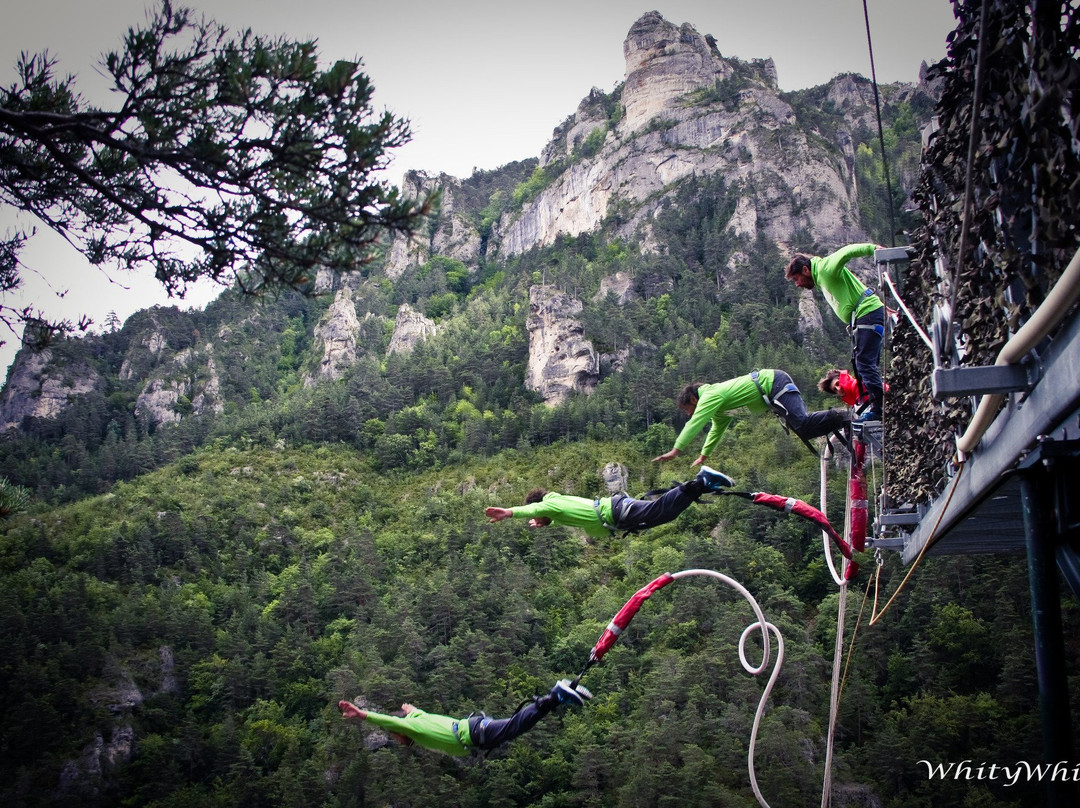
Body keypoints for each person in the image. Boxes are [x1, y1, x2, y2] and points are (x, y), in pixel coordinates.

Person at [338, 679, 592, 756]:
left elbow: (390, 721)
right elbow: (414, 711)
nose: (397, 738)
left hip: (474, 733)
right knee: (515, 726)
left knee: (516, 727)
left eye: (397, 736)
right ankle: (558, 697)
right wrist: (410, 708)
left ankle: (555, 696)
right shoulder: (419, 718)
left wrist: (363, 714)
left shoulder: (412, 728)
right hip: (474, 728)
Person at [651, 369, 847, 466]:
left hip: (774, 383)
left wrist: (676, 450)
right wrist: (704, 455)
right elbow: (716, 429)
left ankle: (841, 416)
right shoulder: (719, 409)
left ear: (694, 398)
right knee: (804, 429)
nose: (688, 414)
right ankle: (840, 420)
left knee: (803, 423)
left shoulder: (710, 396)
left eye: (688, 408)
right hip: (774, 389)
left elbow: (696, 422)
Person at [484, 466, 734, 538]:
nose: (535, 519)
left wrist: (509, 512)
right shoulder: (557, 506)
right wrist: (545, 524)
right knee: (663, 514)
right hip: (616, 512)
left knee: (659, 511)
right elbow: (549, 513)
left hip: (616, 513)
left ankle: (700, 481)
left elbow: (538, 509)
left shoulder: (550, 506)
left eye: (536, 517)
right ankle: (703, 484)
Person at [785, 243, 885, 421]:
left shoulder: (824, 269)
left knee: (864, 364)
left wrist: (873, 249)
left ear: (806, 270)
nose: (798, 284)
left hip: (867, 314)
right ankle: (873, 404)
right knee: (864, 366)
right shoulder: (821, 274)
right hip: (865, 316)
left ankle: (879, 409)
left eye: (797, 279)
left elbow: (846, 252)